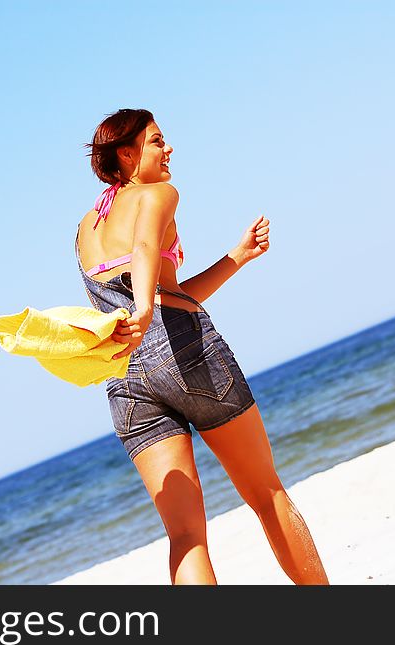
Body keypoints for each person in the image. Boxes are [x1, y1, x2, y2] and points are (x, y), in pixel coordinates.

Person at [75, 108, 329, 585]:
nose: (168, 149)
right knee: (266, 494)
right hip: (187, 355)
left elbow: (162, 291)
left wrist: (237, 257)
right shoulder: (158, 195)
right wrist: (147, 307)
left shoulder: (86, 227)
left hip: (127, 379)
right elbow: (149, 251)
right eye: (157, 141)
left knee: (186, 535)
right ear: (126, 154)